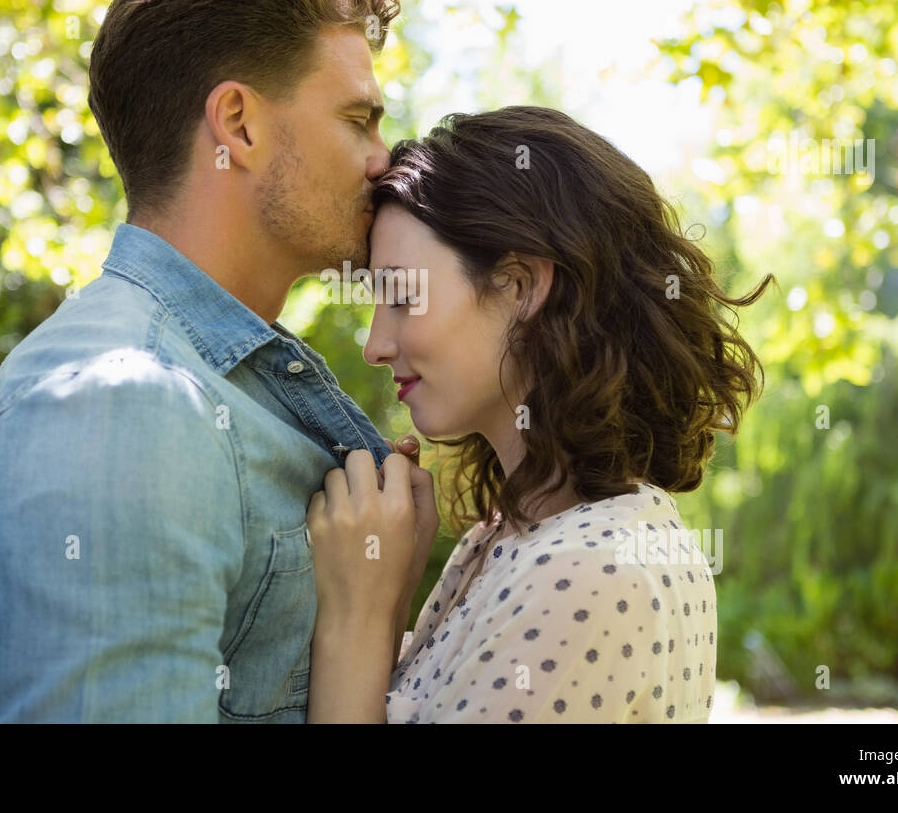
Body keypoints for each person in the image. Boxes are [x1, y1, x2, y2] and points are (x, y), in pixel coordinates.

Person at [0, 0, 436, 722]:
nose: (382, 157)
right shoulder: (123, 405)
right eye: (359, 118)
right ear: (238, 124)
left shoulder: (210, 388)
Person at [303, 105, 774, 722]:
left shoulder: (588, 570)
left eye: (402, 295)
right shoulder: (511, 539)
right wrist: (387, 595)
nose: (375, 345)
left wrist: (354, 614)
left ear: (521, 286)